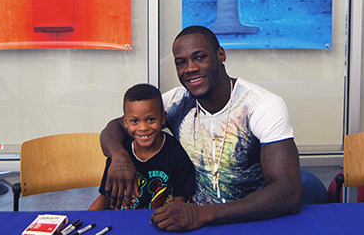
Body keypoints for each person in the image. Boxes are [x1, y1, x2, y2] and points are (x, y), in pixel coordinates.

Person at [100, 25, 302, 231]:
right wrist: (119, 157)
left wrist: (205, 213)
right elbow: (115, 127)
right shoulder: (176, 101)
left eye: (200, 57)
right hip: (196, 224)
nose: (190, 68)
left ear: (221, 55)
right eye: (181, 62)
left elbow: (289, 191)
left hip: (251, 220)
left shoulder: (261, 105)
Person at [90, 83, 195, 210]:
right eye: (135, 121)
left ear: (162, 118)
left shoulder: (177, 155)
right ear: (125, 121)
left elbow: (180, 205)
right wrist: (85, 221)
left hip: (160, 223)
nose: (143, 128)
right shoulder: (120, 155)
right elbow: (104, 197)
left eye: (150, 120)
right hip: (120, 222)